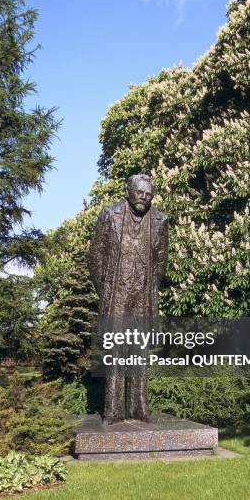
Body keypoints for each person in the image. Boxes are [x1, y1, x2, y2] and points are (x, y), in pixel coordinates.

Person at [88, 174, 169, 423]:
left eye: (148, 193)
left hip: (143, 294)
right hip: (116, 294)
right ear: (128, 191)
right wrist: (108, 288)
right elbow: (95, 256)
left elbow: (161, 262)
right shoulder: (109, 214)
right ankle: (113, 411)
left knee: (139, 350)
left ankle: (140, 408)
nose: (143, 197)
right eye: (139, 192)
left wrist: (149, 288)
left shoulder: (160, 220)